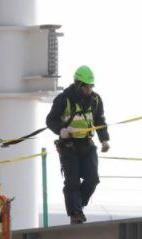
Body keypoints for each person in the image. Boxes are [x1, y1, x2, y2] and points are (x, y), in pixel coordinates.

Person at [46, 65, 110, 224]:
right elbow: (50, 120)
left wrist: (104, 139)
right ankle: (75, 213)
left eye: (90, 86)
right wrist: (61, 131)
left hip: (87, 144)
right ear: (77, 84)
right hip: (69, 146)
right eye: (86, 86)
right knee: (72, 181)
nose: (89, 89)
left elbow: (100, 120)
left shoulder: (95, 100)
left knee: (93, 179)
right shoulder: (64, 99)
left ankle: (77, 205)